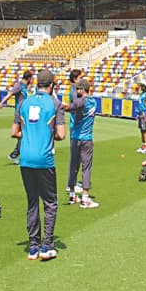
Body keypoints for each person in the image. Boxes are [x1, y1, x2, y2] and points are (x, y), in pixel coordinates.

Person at [12, 69, 66, 261]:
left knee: (32, 201)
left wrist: (31, 135)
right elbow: (61, 135)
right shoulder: (55, 103)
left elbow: (14, 132)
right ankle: (47, 246)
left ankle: (33, 247)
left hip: (25, 159)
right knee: (50, 203)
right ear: (52, 85)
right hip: (44, 159)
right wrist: (46, 135)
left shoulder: (24, 103)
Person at [62, 78, 98, 209]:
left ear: (83, 89)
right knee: (85, 167)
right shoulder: (94, 101)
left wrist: (63, 106)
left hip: (76, 138)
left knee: (74, 165)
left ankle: (74, 196)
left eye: (78, 89)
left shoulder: (82, 101)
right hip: (86, 138)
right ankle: (84, 198)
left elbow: (75, 105)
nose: (76, 91)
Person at [0, 70, 33, 164]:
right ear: (29, 78)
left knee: (23, 135)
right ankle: (16, 154)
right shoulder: (19, 85)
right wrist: (2, 102)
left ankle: (16, 154)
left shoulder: (25, 86)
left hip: (24, 114)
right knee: (22, 134)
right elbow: (10, 94)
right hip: (19, 113)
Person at [65, 68, 84, 196]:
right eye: (80, 78)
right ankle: (71, 184)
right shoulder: (74, 92)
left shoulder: (74, 90)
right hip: (75, 126)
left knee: (77, 157)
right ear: (75, 79)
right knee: (75, 157)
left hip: (76, 126)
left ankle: (74, 182)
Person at [136, 81, 146, 154]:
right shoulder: (141, 94)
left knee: (144, 130)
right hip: (140, 113)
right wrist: (138, 114)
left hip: (144, 113)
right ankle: (143, 146)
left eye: (142, 86)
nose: (141, 87)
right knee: (141, 130)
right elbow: (140, 105)